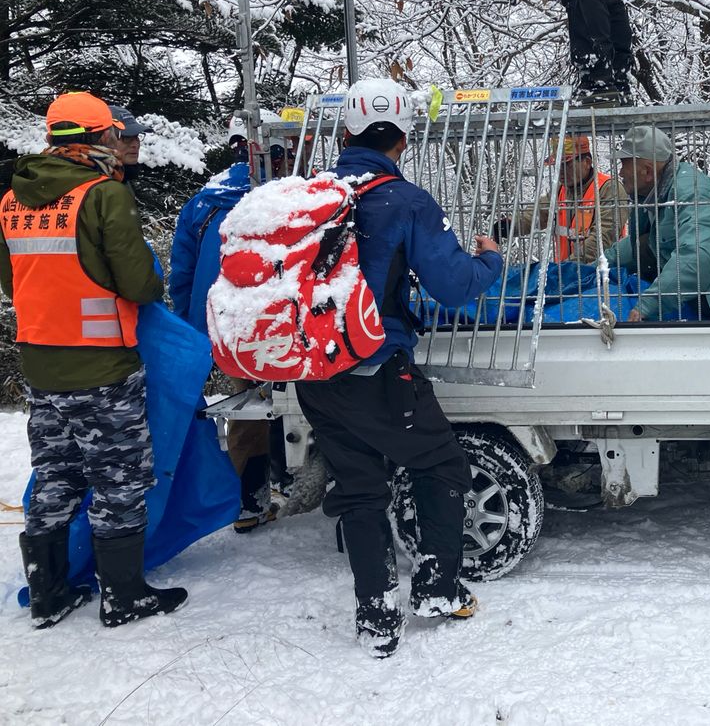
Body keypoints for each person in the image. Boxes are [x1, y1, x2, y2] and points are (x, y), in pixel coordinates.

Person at [292, 77, 505, 657]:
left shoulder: (312, 196)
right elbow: (455, 287)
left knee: (358, 489)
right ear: (404, 141)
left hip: (314, 372)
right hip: (377, 368)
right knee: (440, 465)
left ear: (344, 133)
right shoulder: (406, 202)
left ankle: (377, 620)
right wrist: (490, 260)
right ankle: (436, 588)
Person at [0, 91, 186, 629]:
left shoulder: (11, 201)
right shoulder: (103, 194)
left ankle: (49, 594)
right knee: (119, 480)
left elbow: (12, 280)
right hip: (102, 366)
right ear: (102, 135)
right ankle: (124, 597)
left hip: (38, 363)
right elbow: (137, 282)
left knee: (55, 474)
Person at [168, 146, 275, 534]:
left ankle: (248, 501)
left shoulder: (205, 202)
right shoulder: (291, 195)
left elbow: (183, 270)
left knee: (249, 405)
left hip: (225, 326)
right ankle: (300, 481)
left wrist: (189, 327)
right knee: (296, 401)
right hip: (282, 323)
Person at [603, 125, 710, 322]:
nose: (619, 173)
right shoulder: (652, 196)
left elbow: (700, 255)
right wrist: (595, 267)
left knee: (703, 263)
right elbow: (639, 246)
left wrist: (649, 303)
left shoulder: (692, 193)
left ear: (647, 171)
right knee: (645, 249)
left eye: (624, 165)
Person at [493, 134, 628, 262]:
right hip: (567, 276)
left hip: (603, 276)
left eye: (567, 165)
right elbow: (538, 214)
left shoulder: (609, 189)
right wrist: (511, 226)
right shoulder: (560, 190)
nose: (561, 171)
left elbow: (603, 239)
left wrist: (568, 267)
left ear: (587, 162)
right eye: (558, 165)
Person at [108, 104, 154, 184]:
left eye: (137, 136)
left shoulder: (123, 178)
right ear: (105, 138)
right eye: (127, 137)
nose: (135, 144)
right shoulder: (96, 185)